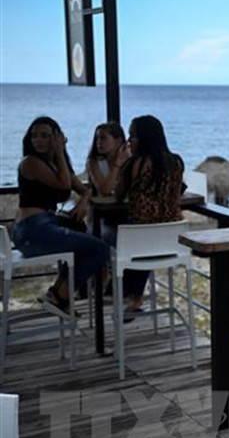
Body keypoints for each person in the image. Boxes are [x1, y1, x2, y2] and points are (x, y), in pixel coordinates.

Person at [13, 116, 109, 315]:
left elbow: (85, 190)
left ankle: (58, 294)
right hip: (32, 231)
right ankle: (59, 296)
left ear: (57, 138)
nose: (38, 140)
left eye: (45, 136)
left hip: (46, 225)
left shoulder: (57, 165)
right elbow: (65, 185)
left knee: (81, 232)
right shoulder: (30, 163)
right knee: (100, 249)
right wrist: (58, 152)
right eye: (34, 136)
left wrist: (83, 203)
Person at [114, 115, 185, 316]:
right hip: (172, 241)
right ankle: (133, 297)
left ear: (144, 138)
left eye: (132, 135)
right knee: (142, 236)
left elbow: (118, 195)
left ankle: (116, 290)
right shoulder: (176, 162)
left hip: (140, 243)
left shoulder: (134, 164)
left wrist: (120, 164)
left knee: (107, 237)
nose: (128, 141)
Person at [86, 122, 129, 197]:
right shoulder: (94, 162)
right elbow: (105, 191)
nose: (98, 142)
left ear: (118, 141)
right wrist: (116, 165)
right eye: (97, 139)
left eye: (103, 138)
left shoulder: (129, 160)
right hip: (102, 206)